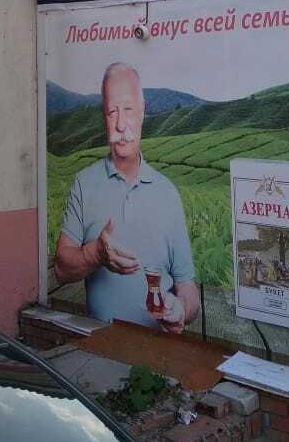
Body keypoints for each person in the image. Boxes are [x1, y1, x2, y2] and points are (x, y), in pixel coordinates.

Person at [53, 62, 200, 333]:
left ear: (142, 113)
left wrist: (181, 310)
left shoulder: (167, 193)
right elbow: (61, 269)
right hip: (100, 349)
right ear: (104, 117)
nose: (121, 124)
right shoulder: (84, 184)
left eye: (129, 110)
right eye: (112, 112)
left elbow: (188, 290)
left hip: (159, 350)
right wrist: (95, 253)